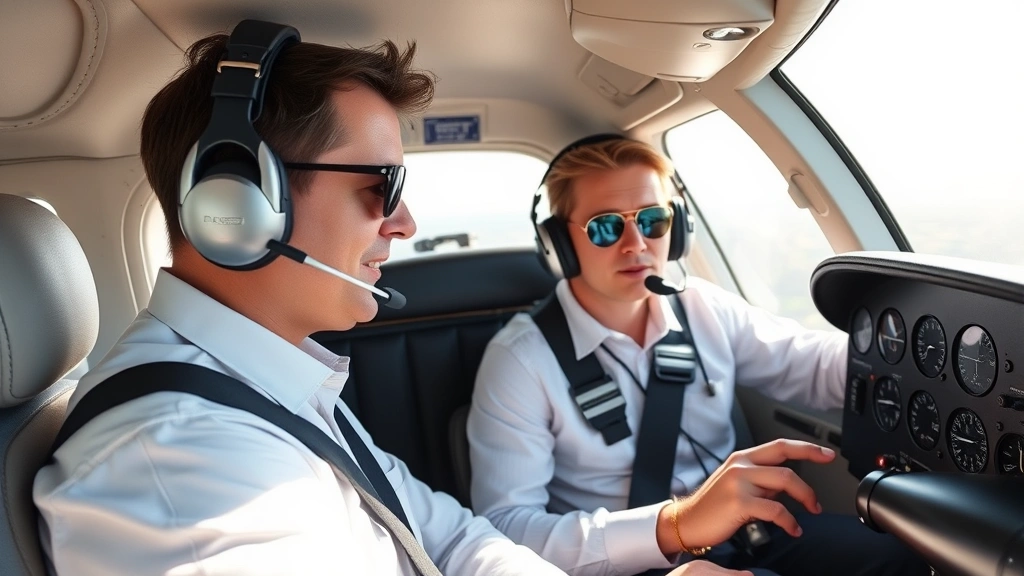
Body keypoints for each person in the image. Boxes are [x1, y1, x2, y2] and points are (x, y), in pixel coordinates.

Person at [33, 21, 574, 576]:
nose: (406, 223)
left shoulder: (273, 381)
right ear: (238, 204)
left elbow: (449, 539)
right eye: (381, 185)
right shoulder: (180, 457)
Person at [467, 135, 931, 576]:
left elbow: (812, 364)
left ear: (678, 226)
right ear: (560, 244)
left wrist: (915, 358)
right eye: (606, 227)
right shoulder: (520, 360)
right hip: (624, 563)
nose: (637, 244)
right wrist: (673, 524)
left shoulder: (702, 308)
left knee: (903, 556)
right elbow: (507, 527)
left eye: (652, 220)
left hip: (746, 532)